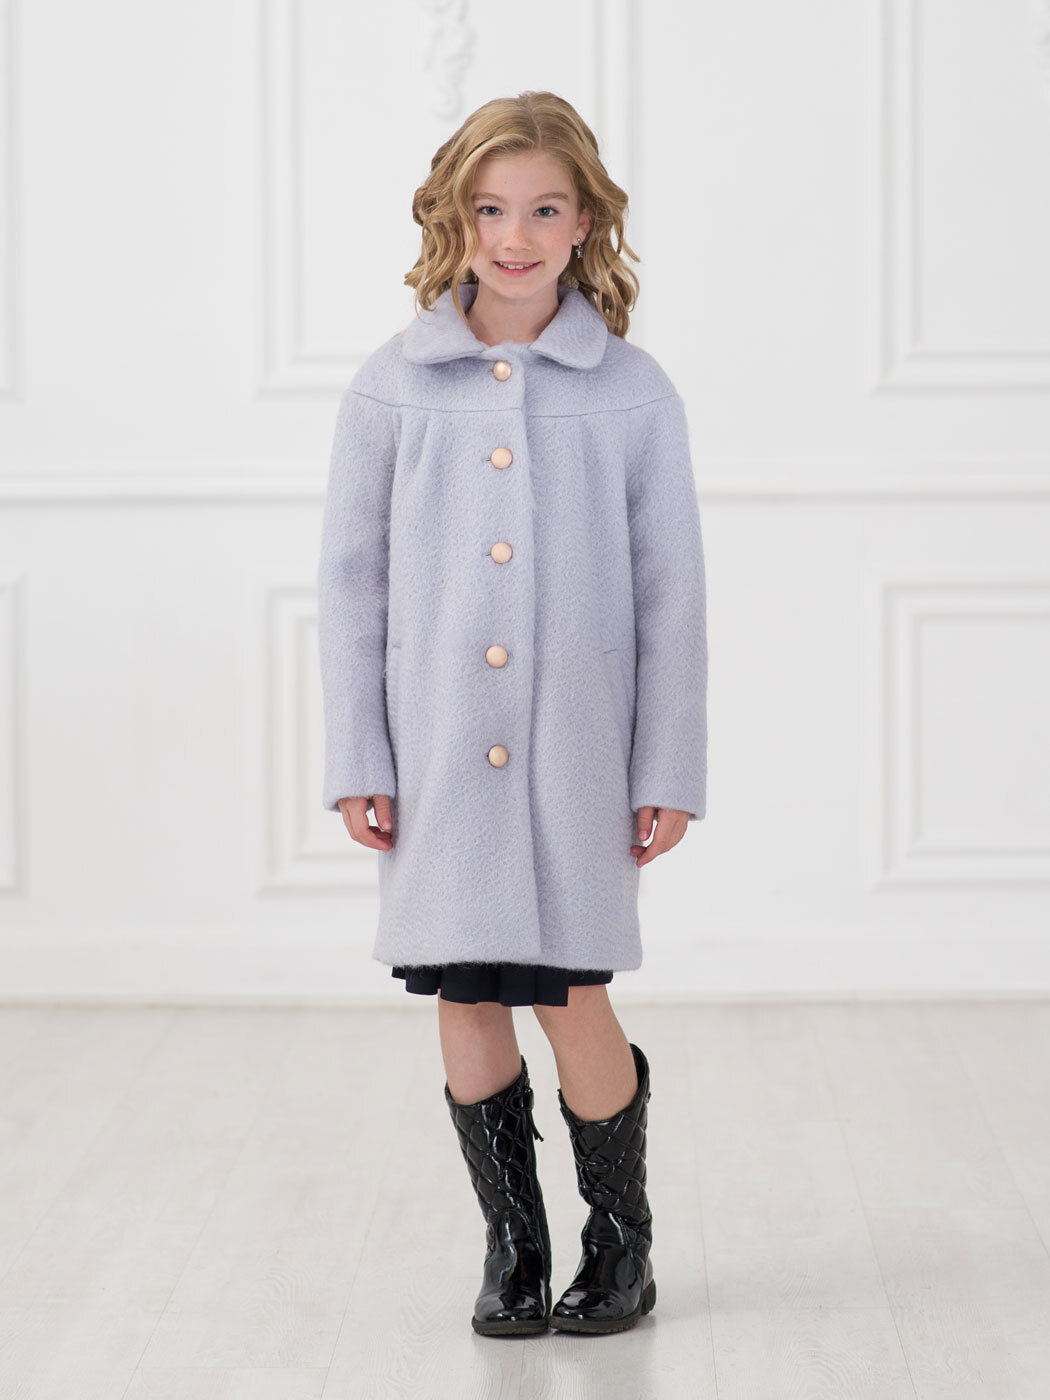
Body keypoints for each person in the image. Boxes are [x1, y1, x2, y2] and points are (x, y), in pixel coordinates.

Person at [316, 90, 708, 1338]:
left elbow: (672, 594)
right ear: (455, 218)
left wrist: (667, 767)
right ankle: (514, 1246)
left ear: (586, 222)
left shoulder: (632, 392)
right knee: (466, 995)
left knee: (571, 991)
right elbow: (352, 585)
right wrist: (359, 755)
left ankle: (621, 1241)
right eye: (491, 210)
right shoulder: (393, 386)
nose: (516, 236)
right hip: (437, 752)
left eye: (544, 210)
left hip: (578, 755)